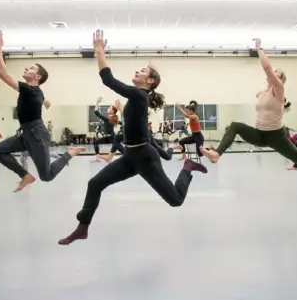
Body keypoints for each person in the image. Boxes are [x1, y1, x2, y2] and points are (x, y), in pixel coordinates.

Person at [58, 29, 207, 245]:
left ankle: (187, 168)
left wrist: (99, 51)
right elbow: (133, 126)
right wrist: (116, 116)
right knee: (95, 183)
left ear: (151, 80)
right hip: (131, 156)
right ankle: (82, 228)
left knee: (175, 200)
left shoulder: (139, 95)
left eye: (142, 71)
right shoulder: (136, 99)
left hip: (146, 159)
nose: (137, 72)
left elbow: (108, 80)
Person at [200, 38, 297, 165]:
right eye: (275, 71)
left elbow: (267, 68)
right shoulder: (262, 93)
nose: (275, 73)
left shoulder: (279, 89)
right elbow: (267, 76)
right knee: (235, 126)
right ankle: (216, 154)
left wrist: (259, 48)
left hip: (277, 136)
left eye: (278, 73)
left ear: (281, 80)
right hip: (259, 134)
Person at [0, 30, 85, 192]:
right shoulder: (36, 92)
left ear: (38, 77)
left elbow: (1, 73)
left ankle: (69, 153)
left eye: (32, 68)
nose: (27, 68)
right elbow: (42, 98)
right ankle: (25, 175)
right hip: (26, 133)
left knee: (46, 176)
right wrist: (46, 101)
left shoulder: (29, 90)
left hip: (37, 134)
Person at [91, 96, 122, 162]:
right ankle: (97, 158)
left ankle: (134, 160)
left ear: (113, 111)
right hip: (108, 138)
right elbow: (121, 123)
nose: (108, 109)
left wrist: (97, 102)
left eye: (109, 108)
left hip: (113, 138)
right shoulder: (111, 119)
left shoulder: (109, 119)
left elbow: (96, 112)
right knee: (95, 142)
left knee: (122, 150)